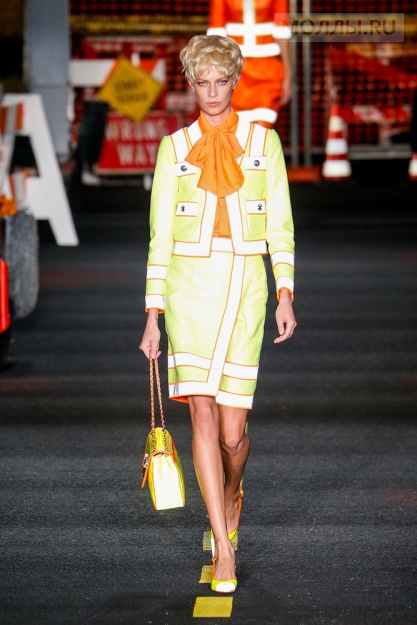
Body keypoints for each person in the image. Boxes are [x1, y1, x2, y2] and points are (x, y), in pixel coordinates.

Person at [139, 34, 296, 594]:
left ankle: (231, 493)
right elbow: (160, 235)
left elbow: (280, 224)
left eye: (220, 81)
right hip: (187, 290)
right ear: (190, 84)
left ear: (234, 81)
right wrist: (153, 311)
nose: (211, 92)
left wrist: (285, 292)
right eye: (201, 82)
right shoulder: (174, 147)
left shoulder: (263, 142)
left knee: (233, 436)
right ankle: (223, 546)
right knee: (202, 414)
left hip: (246, 287)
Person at [207, 0, 292, 128]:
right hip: (235, 73)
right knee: (238, 131)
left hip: (266, 72)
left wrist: (287, 74)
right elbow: (216, 34)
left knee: (261, 128)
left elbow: (282, 29)